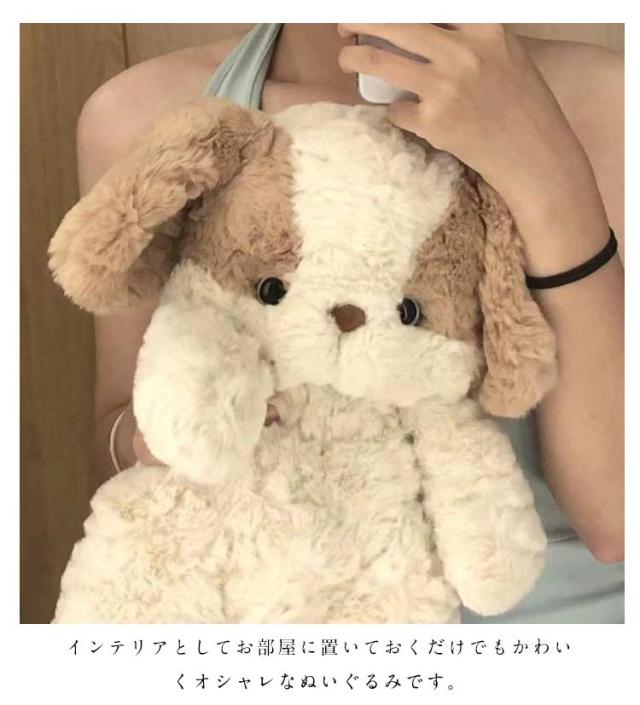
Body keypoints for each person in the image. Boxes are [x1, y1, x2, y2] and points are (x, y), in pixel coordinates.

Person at [77, 23, 624, 622]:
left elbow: (617, 524)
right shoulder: (142, 113)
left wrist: (547, 173)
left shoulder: (603, 100)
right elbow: (113, 440)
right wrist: (165, 430)